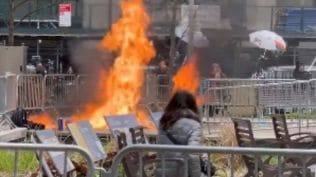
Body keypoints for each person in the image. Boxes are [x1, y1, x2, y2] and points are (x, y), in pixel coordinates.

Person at [155, 90, 215, 177]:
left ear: (171, 105)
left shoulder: (163, 123)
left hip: (162, 173)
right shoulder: (194, 125)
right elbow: (192, 155)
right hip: (182, 173)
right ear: (193, 105)